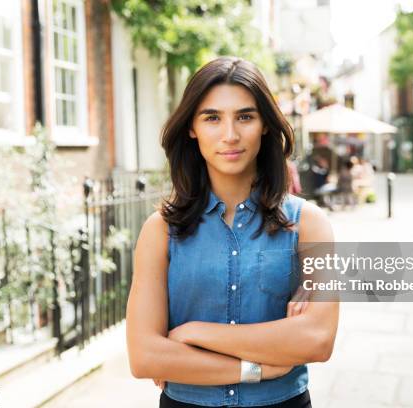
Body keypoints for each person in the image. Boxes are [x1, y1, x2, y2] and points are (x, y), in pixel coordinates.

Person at [126, 56, 339, 408]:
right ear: (192, 128)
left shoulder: (309, 225)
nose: (230, 135)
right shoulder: (160, 230)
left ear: (265, 125)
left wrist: (192, 334)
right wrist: (257, 368)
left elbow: (317, 339)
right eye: (212, 118)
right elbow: (145, 356)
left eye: (245, 116)